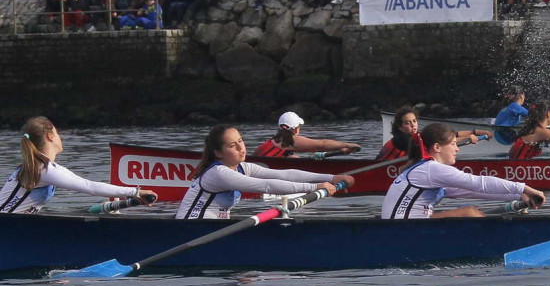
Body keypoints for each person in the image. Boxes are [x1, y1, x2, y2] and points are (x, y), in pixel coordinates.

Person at [176, 124, 355, 220]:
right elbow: (266, 186)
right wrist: (315, 187)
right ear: (218, 153)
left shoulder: (243, 167)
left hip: (213, 228)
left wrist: (331, 177)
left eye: (241, 141)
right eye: (232, 145)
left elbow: (284, 174)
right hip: (191, 228)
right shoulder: (218, 174)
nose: (241, 148)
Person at [382, 122, 545, 219]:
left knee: (471, 210)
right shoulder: (431, 169)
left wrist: (518, 195)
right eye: (453, 144)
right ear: (437, 147)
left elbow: (473, 191)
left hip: (407, 224)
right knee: (469, 213)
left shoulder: (428, 171)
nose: (457, 149)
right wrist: (524, 188)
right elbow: (478, 183)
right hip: (403, 227)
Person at [0, 116, 157, 213]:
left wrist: (131, 196)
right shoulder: (44, 169)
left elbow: (88, 184)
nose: (60, 137)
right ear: (49, 136)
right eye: (57, 133)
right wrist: (136, 192)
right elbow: (90, 187)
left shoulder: (46, 167)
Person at [377, 107, 489, 161]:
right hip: (378, 169)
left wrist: (474, 132)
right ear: (400, 127)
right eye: (407, 123)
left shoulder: (417, 137)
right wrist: (468, 138)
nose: (413, 125)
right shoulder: (401, 140)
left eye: (414, 121)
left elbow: (448, 134)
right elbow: (439, 141)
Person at [254, 111, 362, 158]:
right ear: (296, 129)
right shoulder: (290, 141)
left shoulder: (274, 141)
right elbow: (322, 144)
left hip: (264, 174)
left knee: (293, 158)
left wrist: (339, 150)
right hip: (267, 179)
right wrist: (347, 145)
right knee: (294, 158)